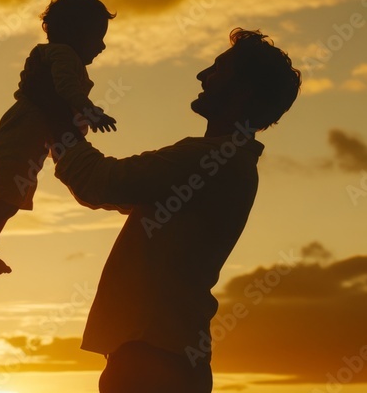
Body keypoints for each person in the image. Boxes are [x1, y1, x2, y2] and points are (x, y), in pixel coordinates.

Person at [22, 28, 301, 393]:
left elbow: (98, 182)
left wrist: (55, 109)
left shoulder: (211, 159)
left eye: (218, 69)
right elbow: (107, 188)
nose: (202, 75)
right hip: (160, 353)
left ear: (243, 91)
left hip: (152, 357)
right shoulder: (224, 161)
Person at [0, 0, 118, 289]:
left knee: (8, 203)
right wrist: (91, 112)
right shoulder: (62, 55)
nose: (102, 46)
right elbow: (66, 90)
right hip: (19, 138)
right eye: (97, 37)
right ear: (75, 32)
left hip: (29, 143)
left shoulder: (60, 56)